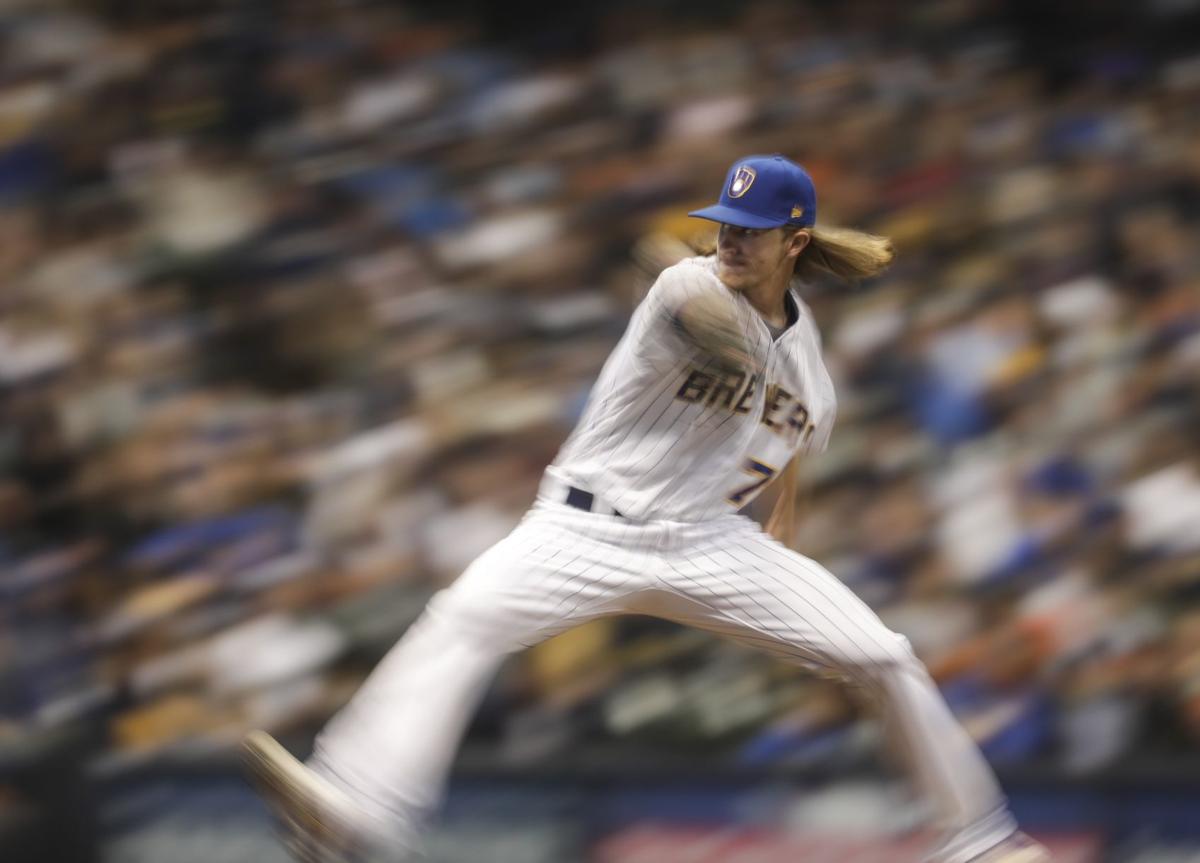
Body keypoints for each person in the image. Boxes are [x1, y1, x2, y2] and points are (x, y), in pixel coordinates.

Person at [243, 154, 1051, 863]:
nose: (731, 240)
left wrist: (784, 518)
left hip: (709, 541)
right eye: (725, 224)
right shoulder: (688, 283)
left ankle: (979, 843)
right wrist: (739, 335)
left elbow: (794, 436)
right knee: (460, 622)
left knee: (883, 655)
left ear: (795, 241)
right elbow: (715, 335)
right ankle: (352, 809)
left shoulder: (814, 373)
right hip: (581, 528)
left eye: (752, 230)